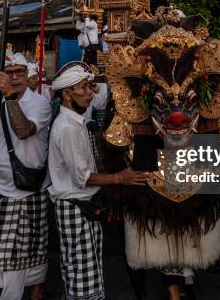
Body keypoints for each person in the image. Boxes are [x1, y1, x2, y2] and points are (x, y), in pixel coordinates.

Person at [48, 63, 148, 300]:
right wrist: (119, 178)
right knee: (83, 279)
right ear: (67, 94)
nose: (89, 93)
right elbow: (83, 179)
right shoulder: (67, 128)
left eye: (89, 87)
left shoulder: (76, 122)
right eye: (83, 88)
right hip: (75, 208)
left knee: (78, 272)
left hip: (81, 208)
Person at [0, 52, 52, 300]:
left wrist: (9, 96)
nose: (14, 77)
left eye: (19, 72)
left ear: (28, 75)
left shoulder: (39, 103)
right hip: (0, 189)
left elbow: (23, 131)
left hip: (32, 188)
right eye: (9, 73)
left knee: (33, 256)